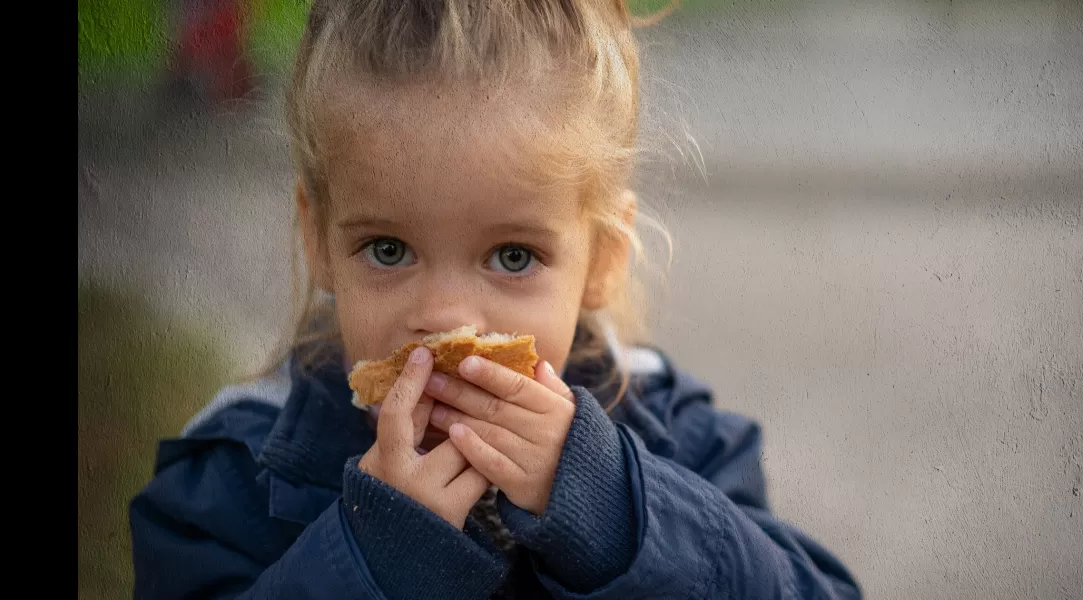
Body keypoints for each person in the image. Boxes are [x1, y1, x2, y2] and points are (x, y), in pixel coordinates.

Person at [129, 1, 862, 598]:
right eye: (388, 249)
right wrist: (370, 558)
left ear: (602, 259)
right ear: (318, 239)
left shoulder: (680, 439)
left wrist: (618, 512)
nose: (447, 318)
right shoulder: (235, 475)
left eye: (513, 257)